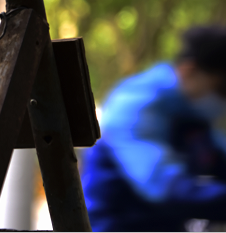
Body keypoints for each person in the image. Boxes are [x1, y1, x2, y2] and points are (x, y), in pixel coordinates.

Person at [82, 26, 226, 231]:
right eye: (221, 89)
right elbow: (165, 189)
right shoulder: (135, 103)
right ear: (189, 70)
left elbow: (217, 158)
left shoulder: (193, 109)